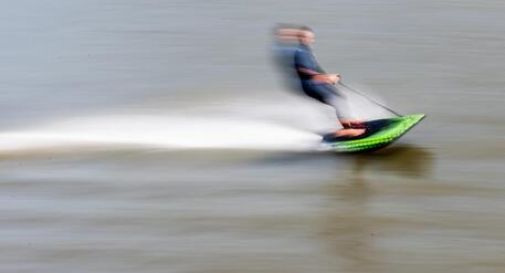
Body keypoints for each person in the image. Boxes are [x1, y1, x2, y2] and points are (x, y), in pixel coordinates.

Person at [290, 26, 366, 137]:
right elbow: (303, 70)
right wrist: (326, 78)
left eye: (311, 37)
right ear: (300, 38)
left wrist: (329, 77)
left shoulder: (307, 50)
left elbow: (316, 69)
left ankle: (348, 122)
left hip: (317, 82)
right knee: (336, 100)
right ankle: (343, 131)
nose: (309, 39)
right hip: (310, 85)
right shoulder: (300, 51)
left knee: (341, 97)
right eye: (306, 37)